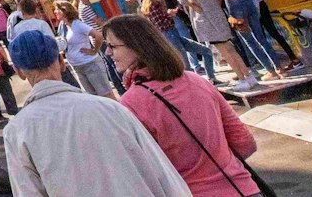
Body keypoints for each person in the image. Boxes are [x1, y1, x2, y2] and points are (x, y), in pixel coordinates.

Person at [0, 29, 191, 197]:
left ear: (19, 71)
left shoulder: (17, 131)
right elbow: (163, 174)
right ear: (61, 61)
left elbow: (28, 191)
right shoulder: (110, 108)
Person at [105, 14, 261, 197]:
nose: (108, 53)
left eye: (112, 46)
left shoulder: (131, 103)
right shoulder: (197, 81)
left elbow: (140, 173)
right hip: (242, 188)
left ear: (137, 46)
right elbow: (245, 143)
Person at [174, 0, 256, 93]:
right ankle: (248, 75)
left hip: (206, 21)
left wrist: (193, 5)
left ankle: (242, 79)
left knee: (225, 51)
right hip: (218, 16)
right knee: (230, 48)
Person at [204, 0, 281, 78]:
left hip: (233, 3)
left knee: (249, 40)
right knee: (261, 37)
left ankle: (271, 71)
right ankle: (279, 67)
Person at [55, 0, 115, 98]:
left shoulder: (77, 25)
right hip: (77, 66)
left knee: (106, 95)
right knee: (93, 98)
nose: (55, 12)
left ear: (64, 11)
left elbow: (98, 35)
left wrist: (94, 50)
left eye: (57, 9)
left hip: (90, 64)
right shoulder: (63, 26)